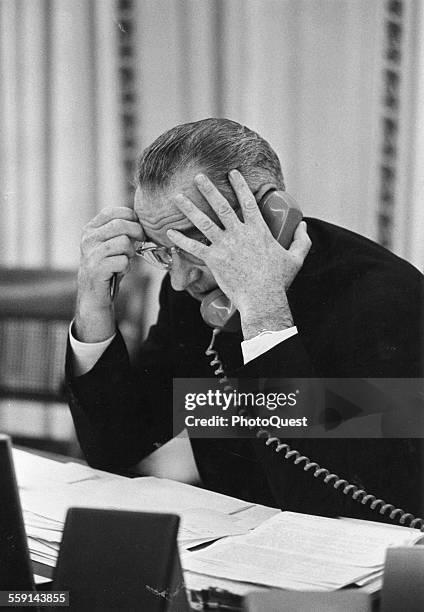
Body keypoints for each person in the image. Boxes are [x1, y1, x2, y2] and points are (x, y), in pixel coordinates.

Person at [66, 118, 423, 524]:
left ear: (273, 216)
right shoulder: (192, 291)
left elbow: (334, 499)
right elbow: (116, 448)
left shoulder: (387, 300)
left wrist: (263, 309)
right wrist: (94, 306)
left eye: (196, 243)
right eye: (164, 252)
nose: (180, 281)